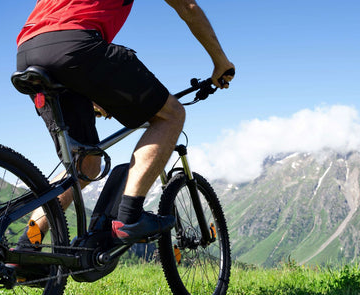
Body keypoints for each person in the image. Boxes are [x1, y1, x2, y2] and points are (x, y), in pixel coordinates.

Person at [14, 0, 235, 248]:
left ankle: (27, 244)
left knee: (85, 164)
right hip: (74, 43)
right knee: (170, 115)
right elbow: (187, 6)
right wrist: (220, 61)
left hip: (28, 50)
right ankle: (129, 217)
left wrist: (95, 95)